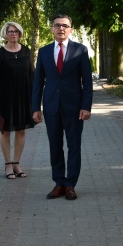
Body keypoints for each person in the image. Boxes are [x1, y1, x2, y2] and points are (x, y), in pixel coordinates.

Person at [32, 14, 93, 201]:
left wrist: (86, 106)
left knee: (74, 146)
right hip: (51, 107)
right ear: (51, 29)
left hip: (74, 108)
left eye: (65, 26)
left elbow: (87, 82)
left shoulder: (80, 50)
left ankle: (70, 185)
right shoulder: (43, 52)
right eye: (57, 25)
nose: (61, 29)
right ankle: (59, 183)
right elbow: (38, 82)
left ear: (71, 30)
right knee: (55, 146)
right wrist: (36, 107)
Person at [0, 21, 35, 179]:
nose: (14, 33)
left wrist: (35, 100)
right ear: (5, 34)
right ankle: (8, 165)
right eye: (10, 31)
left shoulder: (27, 51)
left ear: (20, 33)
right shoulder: (0, 53)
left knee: (21, 130)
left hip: (23, 98)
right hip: (4, 98)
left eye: (16, 31)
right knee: (5, 131)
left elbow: (32, 75)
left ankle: (17, 163)